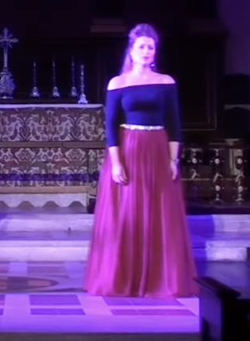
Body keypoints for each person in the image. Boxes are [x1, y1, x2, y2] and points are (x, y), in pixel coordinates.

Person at [84, 23, 198, 298]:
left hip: (158, 150)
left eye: (151, 47)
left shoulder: (166, 82)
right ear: (132, 50)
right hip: (129, 150)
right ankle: (124, 279)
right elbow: (111, 126)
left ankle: (159, 280)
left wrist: (173, 160)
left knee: (160, 215)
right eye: (142, 47)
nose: (146, 51)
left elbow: (174, 124)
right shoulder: (118, 83)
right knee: (127, 214)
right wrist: (117, 163)